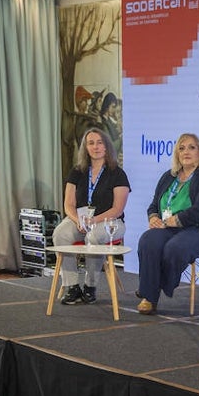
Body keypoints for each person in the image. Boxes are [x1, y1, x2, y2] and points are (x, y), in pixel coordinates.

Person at [137, 133, 199, 314]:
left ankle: (151, 288)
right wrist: (153, 217)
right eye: (181, 148)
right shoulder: (169, 176)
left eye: (191, 147)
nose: (186, 152)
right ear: (176, 154)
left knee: (175, 247)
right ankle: (149, 297)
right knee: (148, 240)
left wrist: (177, 220)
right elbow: (154, 204)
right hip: (169, 227)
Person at [52, 127, 130, 305]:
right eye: (91, 143)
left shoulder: (117, 174)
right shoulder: (77, 171)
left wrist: (93, 221)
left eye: (99, 142)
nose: (95, 147)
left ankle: (90, 286)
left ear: (106, 146)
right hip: (81, 221)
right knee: (60, 234)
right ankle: (71, 285)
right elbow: (68, 204)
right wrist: (77, 219)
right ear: (85, 148)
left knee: (93, 236)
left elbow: (117, 209)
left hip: (111, 222)